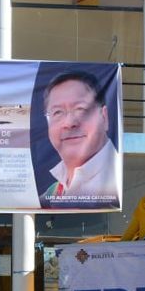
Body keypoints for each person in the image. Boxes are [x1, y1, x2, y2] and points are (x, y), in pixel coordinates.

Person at [38, 71, 119, 209]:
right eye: (57, 112)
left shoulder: (118, 181)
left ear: (104, 117)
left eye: (80, 109)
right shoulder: (53, 192)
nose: (69, 123)